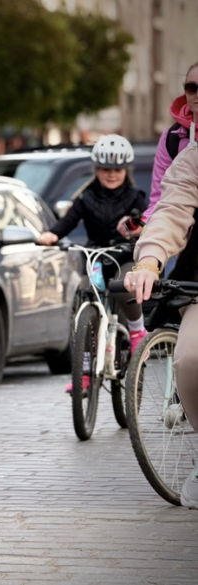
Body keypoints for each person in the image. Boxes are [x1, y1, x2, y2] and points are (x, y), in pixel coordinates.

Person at [37, 135, 148, 390]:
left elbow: (146, 221)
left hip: (123, 257)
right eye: (106, 169)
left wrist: (137, 226)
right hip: (96, 256)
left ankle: (136, 330)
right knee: (86, 294)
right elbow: (68, 221)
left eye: (117, 169)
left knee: (125, 284)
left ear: (125, 170)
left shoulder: (134, 197)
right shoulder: (86, 197)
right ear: (97, 170)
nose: (111, 175)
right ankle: (84, 374)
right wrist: (53, 234)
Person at [123, 141, 198, 508]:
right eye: (191, 87)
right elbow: (171, 211)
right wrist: (150, 260)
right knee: (190, 360)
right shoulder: (192, 159)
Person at [133, 62, 198, 229]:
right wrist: (141, 225)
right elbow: (159, 200)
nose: (197, 94)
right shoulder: (172, 138)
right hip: (183, 242)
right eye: (192, 87)